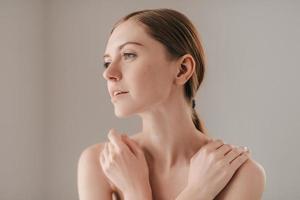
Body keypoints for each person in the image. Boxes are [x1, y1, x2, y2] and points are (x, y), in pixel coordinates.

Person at [77, 8, 266, 200]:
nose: (108, 73)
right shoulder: (100, 163)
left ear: (182, 69)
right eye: (107, 62)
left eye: (128, 55)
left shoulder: (238, 173)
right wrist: (197, 192)